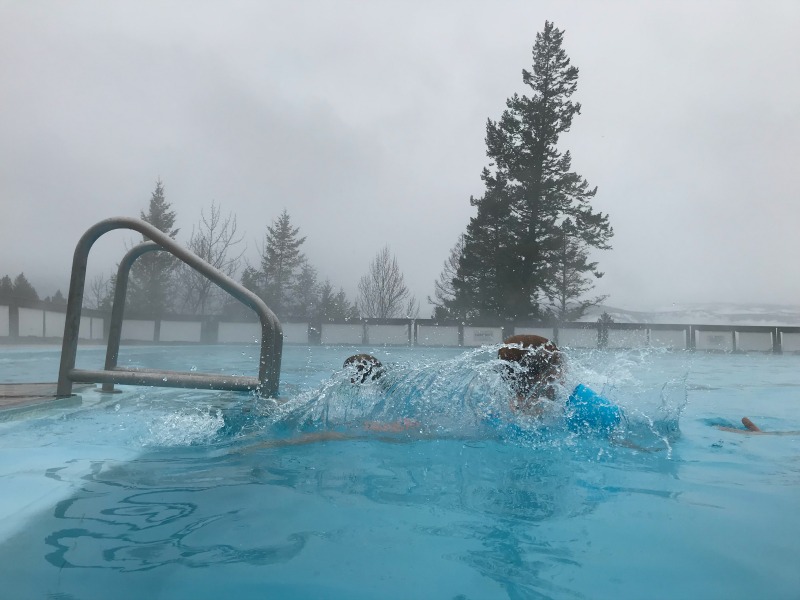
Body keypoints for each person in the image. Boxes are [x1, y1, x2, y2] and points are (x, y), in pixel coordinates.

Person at [498, 334, 623, 435]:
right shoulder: (589, 408)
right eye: (560, 366)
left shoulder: (493, 415)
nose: (565, 372)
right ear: (545, 376)